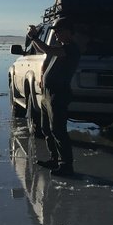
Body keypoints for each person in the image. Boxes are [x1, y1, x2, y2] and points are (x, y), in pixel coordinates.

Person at [27, 18, 81, 177]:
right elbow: (46, 53)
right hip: (47, 93)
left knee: (58, 130)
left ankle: (66, 165)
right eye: (55, 31)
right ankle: (54, 159)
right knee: (46, 128)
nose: (56, 34)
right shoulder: (62, 47)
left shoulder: (71, 49)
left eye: (59, 31)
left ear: (69, 31)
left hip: (58, 94)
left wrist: (35, 37)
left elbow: (48, 50)